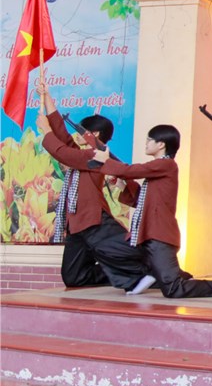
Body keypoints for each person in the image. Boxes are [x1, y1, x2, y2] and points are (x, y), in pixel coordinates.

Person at [93, 125, 212, 298]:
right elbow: (142, 201)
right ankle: (141, 277)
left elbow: (131, 171)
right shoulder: (157, 169)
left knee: (173, 288)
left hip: (159, 235)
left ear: (161, 144)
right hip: (143, 235)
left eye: (149, 140)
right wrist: (123, 185)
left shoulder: (166, 165)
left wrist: (106, 161)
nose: (146, 143)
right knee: (105, 248)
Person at [36, 78, 148, 292]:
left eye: (80, 132)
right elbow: (62, 135)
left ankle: (151, 270)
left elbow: (64, 153)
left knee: (129, 252)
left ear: (93, 135)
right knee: (74, 277)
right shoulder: (84, 154)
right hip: (77, 224)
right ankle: (129, 272)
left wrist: (45, 131)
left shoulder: (97, 154)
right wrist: (47, 95)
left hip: (92, 218)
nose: (74, 135)